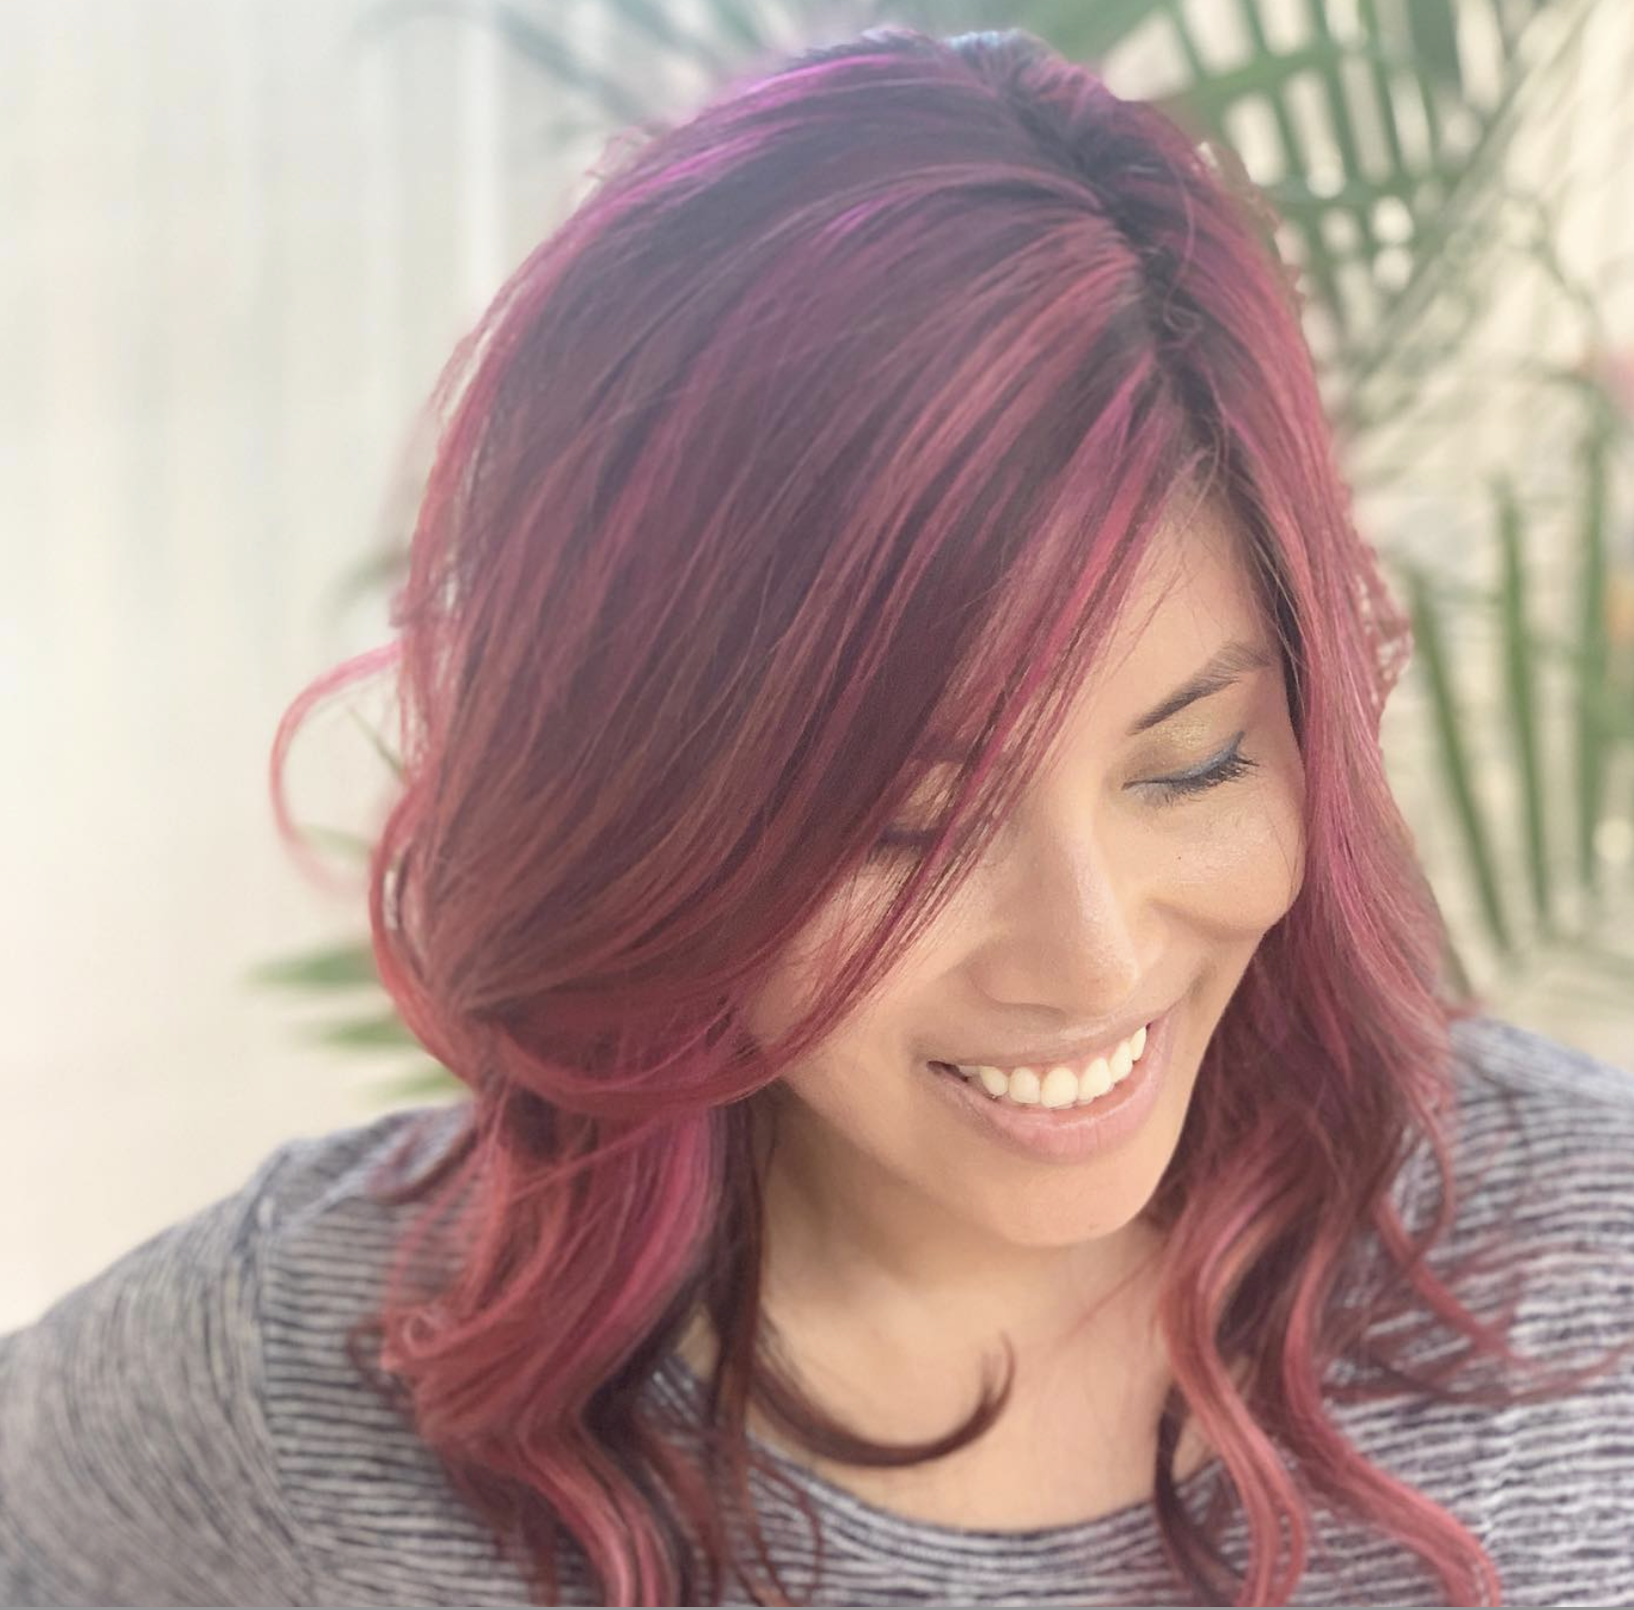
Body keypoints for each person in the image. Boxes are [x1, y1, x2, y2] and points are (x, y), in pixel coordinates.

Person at [3, 23, 1632, 1609]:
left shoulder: (1592, 1264)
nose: (1090, 953)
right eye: (898, 829)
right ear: (648, 806)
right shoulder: (306, 1377)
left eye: (1192, 765)